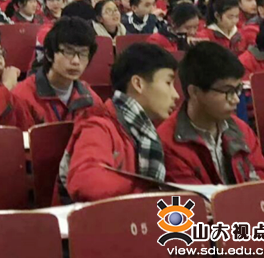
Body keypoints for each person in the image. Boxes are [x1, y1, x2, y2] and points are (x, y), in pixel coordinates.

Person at [59, 43, 179, 203]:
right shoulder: (98, 125)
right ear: (138, 84)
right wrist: (149, 193)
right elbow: (87, 182)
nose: (176, 94)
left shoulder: (148, 130)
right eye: (168, 83)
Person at [159, 42, 264, 185]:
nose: (236, 99)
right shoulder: (169, 143)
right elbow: (186, 197)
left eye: (237, 90)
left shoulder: (241, 130)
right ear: (194, 92)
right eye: (227, 91)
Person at [13, 18, 102, 124]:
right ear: (49, 54)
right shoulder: (22, 97)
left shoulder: (90, 99)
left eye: (83, 54)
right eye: (68, 52)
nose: (76, 61)